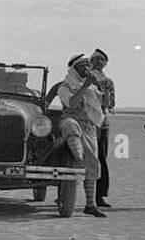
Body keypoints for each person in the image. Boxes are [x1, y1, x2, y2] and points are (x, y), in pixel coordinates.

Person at [42, 54, 106, 217]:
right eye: (82, 66)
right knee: (71, 125)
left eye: (87, 66)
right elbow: (71, 103)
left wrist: (101, 88)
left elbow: (106, 103)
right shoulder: (65, 86)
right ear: (73, 69)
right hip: (69, 120)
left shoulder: (92, 87)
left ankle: (90, 204)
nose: (86, 69)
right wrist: (85, 86)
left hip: (89, 125)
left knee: (92, 161)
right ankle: (78, 158)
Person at [89, 48, 115, 208]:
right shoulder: (81, 78)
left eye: (102, 60)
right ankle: (65, 193)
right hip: (84, 123)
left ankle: (100, 196)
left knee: (101, 160)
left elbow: (111, 103)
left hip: (101, 124)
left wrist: (103, 91)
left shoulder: (108, 82)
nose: (98, 62)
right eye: (96, 59)